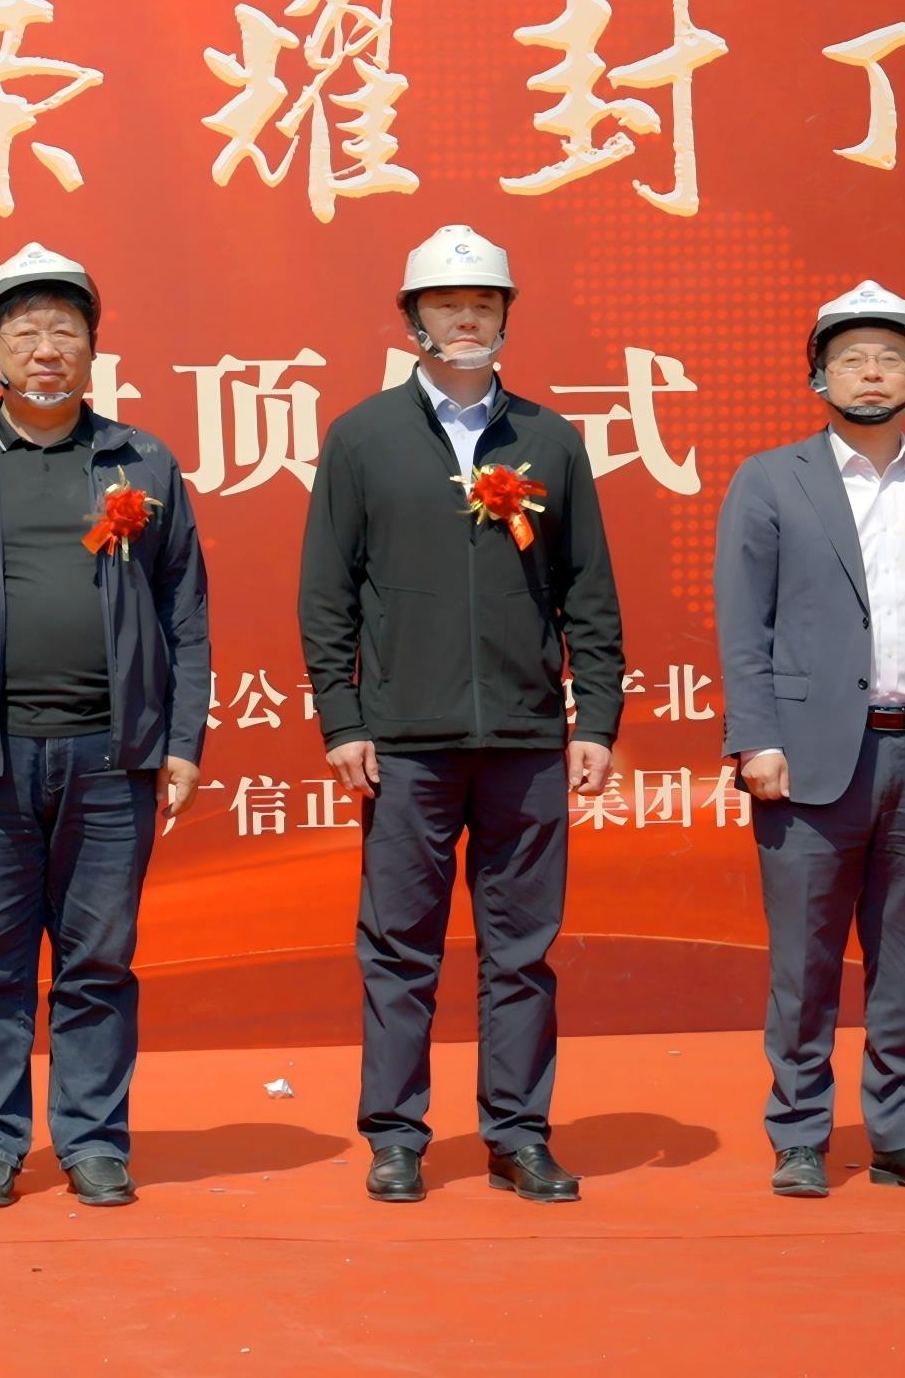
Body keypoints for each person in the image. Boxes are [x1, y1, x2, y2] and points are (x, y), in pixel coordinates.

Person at [0, 243, 207, 1210]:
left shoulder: (140, 461)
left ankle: (93, 1140)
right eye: (24, 331)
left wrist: (181, 740)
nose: (45, 348)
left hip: (113, 755)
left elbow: (185, 611)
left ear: (94, 348)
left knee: (97, 959)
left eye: (65, 329)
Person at [297, 223, 621, 1205]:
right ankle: (396, 1135)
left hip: (525, 740)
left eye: (482, 304)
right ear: (414, 320)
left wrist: (594, 720)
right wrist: (344, 719)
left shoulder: (550, 438)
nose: (465, 319)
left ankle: (517, 1132)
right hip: (405, 743)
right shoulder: (363, 436)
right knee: (399, 946)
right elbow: (327, 593)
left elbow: (589, 592)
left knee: (522, 951)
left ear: (505, 316)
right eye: (446, 305)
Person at [715, 281, 905, 1200]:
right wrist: (754, 737)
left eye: (891, 357)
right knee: (803, 962)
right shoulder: (771, 478)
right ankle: (799, 1133)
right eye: (850, 358)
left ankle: (898, 1131)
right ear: (818, 376)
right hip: (808, 760)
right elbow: (743, 624)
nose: (871, 373)